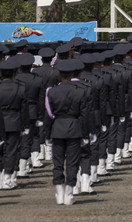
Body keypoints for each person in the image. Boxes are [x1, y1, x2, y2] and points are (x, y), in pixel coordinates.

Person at [44, 59, 90, 205]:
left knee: (57, 163)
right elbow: (84, 116)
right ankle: (69, 194)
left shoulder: (52, 92)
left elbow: (48, 115)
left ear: (59, 74)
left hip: (57, 128)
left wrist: (47, 133)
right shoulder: (81, 91)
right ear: (72, 74)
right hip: (74, 128)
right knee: (72, 163)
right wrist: (85, 134)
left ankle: (59, 193)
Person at [0, 58, 28, 190]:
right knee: (11, 152)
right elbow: (24, 110)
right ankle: (7, 178)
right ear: (14, 73)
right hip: (14, 121)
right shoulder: (20, 87)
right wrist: (25, 126)